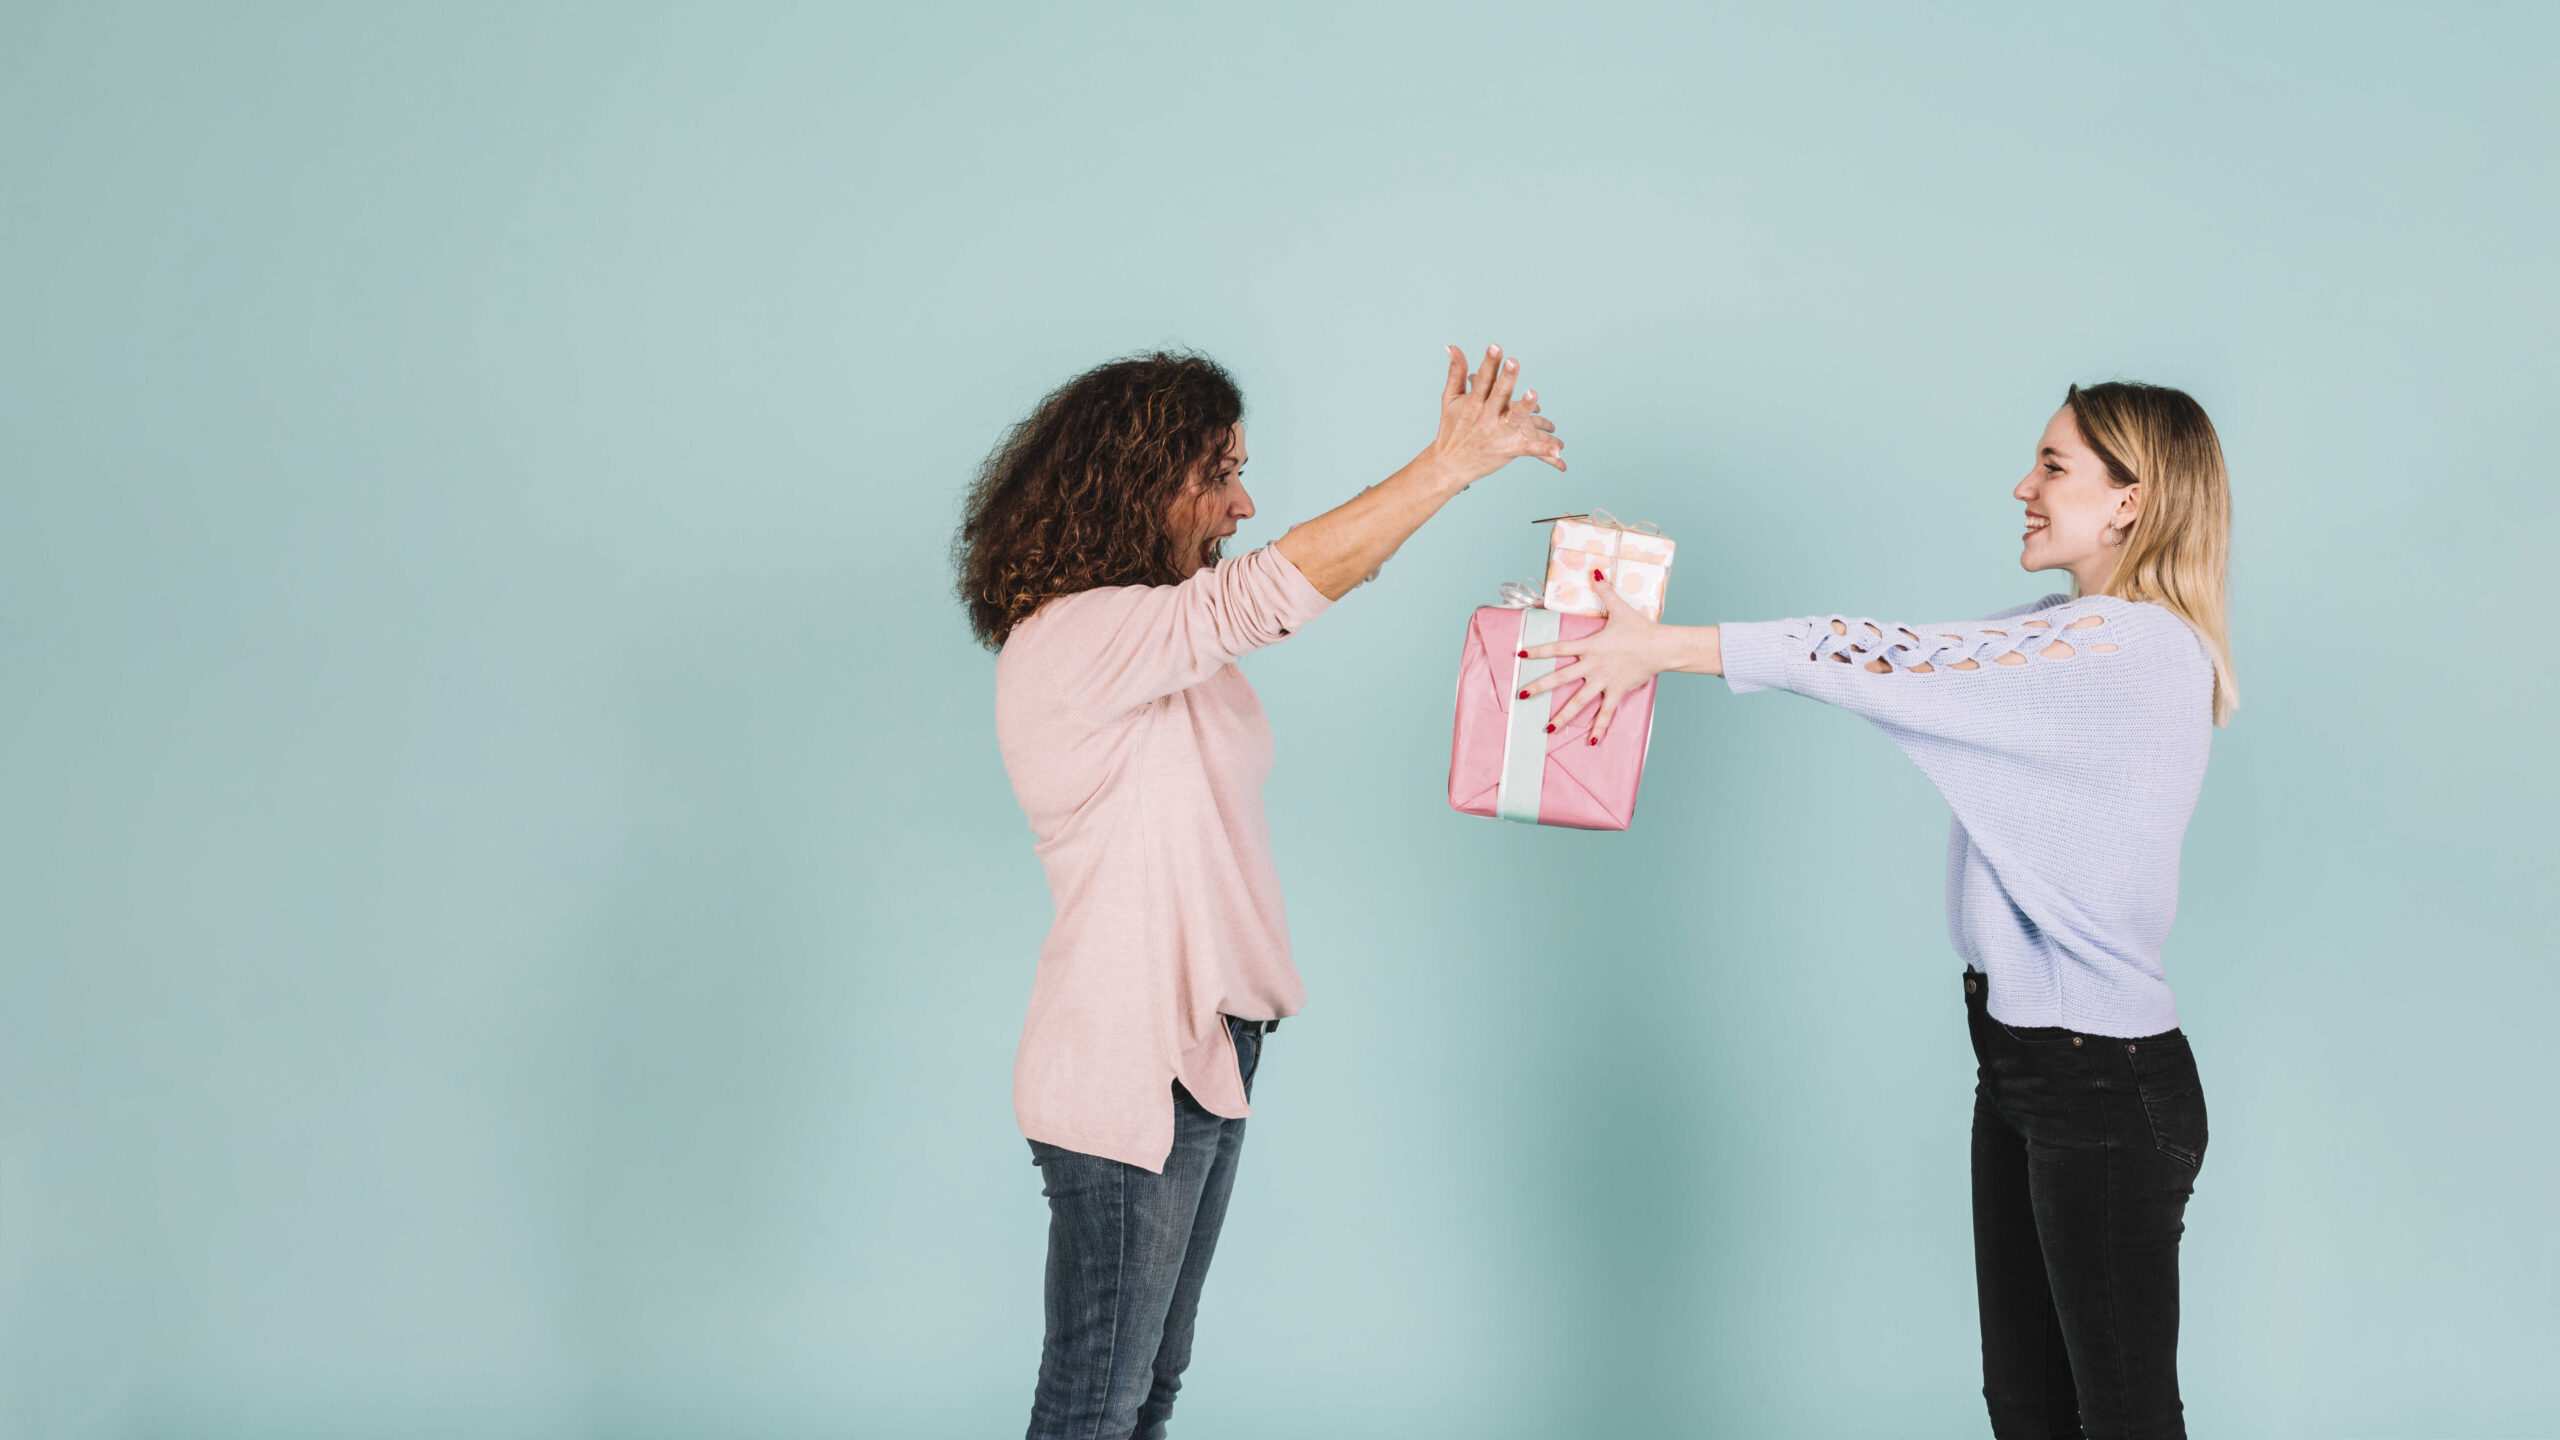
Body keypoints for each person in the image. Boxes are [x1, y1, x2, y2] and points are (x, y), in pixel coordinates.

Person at [1524, 382, 2235, 1438]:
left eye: (2052, 466)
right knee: (2030, 1410)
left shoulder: (2127, 653)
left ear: (2130, 502)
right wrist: (1664, 646)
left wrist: (1663, 646)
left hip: (2101, 1088)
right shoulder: (2070, 634)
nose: (2022, 487)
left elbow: (1884, 659)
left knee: (2122, 1417)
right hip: (2026, 1069)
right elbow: (1898, 658)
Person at [955, 345, 1563, 1440]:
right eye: (1217, 473)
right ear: (1136, 482)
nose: (1241, 501)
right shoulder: (1075, 640)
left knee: (1143, 1398)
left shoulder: (1152, 647)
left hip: (1210, 1057)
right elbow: (1267, 592)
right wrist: (1449, 464)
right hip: (1129, 1064)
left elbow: (1297, 585)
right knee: (1094, 1407)